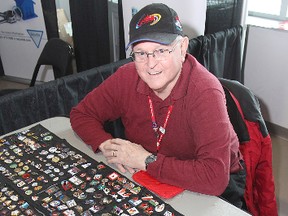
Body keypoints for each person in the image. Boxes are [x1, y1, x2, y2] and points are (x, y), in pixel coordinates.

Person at [70, 3, 246, 209]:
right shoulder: (127, 77)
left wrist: (146, 160)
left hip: (214, 185)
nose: (150, 64)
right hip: (151, 174)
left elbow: (214, 178)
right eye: (141, 53)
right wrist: (106, 144)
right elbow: (81, 114)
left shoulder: (206, 92)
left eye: (161, 50)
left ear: (182, 48)